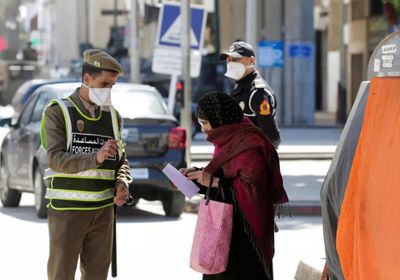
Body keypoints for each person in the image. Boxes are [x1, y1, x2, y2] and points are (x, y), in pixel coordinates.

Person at [40, 49, 132, 280]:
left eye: (112, 86)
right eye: (104, 84)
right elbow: (56, 160)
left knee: (96, 275)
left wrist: (122, 182)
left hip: (103, 211)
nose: (108, 90)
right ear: (86, 79)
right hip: (67, 210)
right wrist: (96, 157)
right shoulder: (57, 112)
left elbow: (121, 160)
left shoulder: (113, 116)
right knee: (61, 274)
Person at [181, 92, 289, 280]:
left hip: (245, 238)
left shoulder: (249, 143)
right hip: (222, 233)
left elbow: (254, 190)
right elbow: (222, 177)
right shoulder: (226, 139)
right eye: (200, 124)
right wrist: (196, 175)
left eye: (205, 123)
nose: (203, 129)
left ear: (219, 119)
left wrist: (213, 181)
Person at [220, 41, 281, 148]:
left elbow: (272, 136)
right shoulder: (240, 88)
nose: (230, 63)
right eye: (228, 60)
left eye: (235, 59)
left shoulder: (257, 92)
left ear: (251, 60)